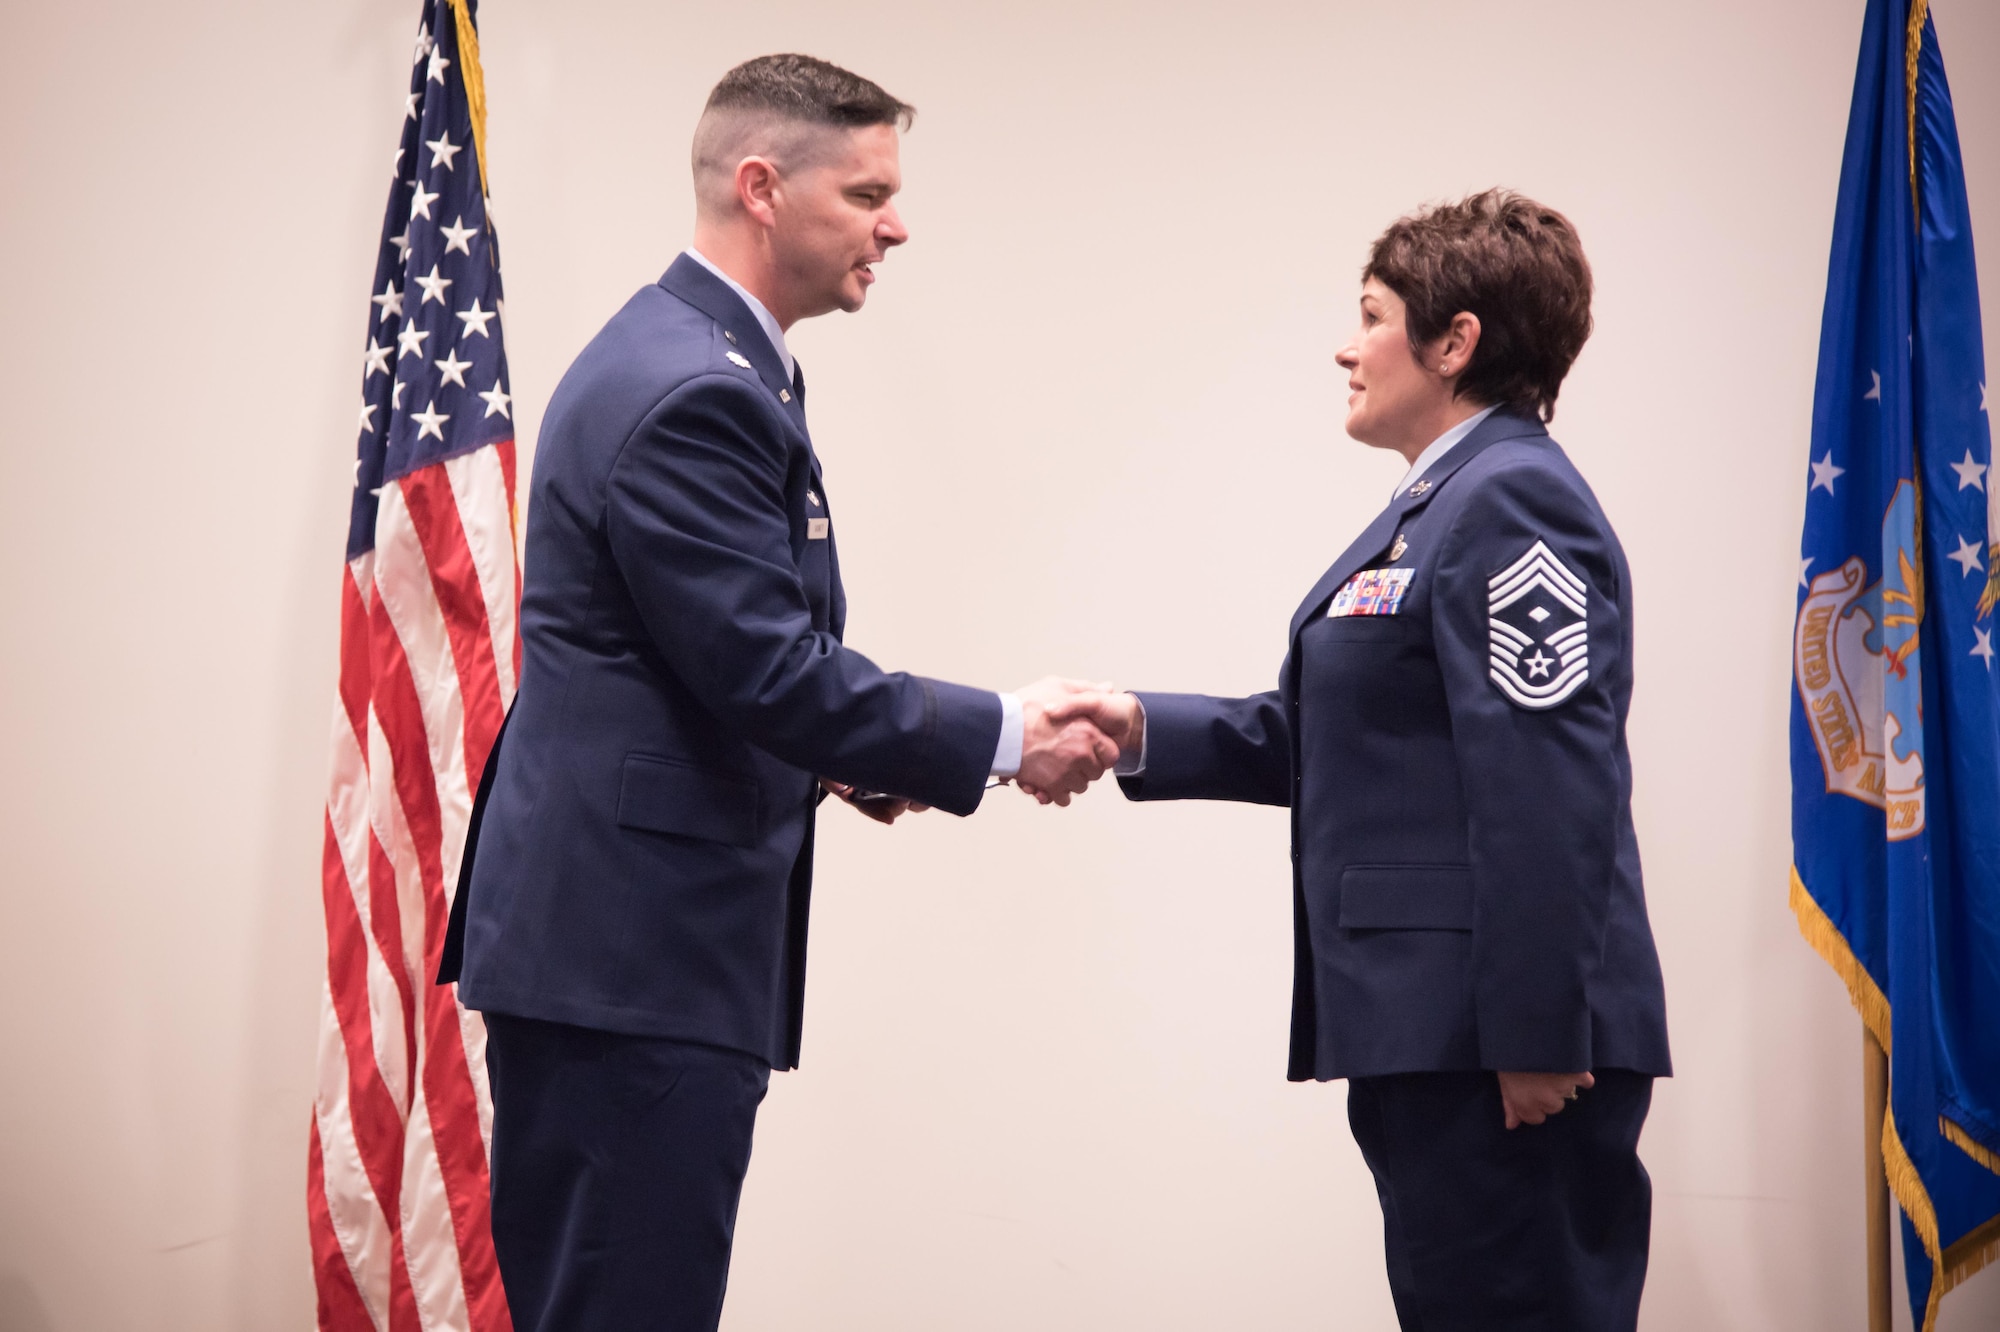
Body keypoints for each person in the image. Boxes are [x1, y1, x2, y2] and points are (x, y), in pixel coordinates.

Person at [436, 55, 1115, 1332]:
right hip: (631, 965)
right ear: (761, 186)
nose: (895, 225)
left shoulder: (712, 362)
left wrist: (845, 761)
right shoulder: (695, 388)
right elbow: (768, 670)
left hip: (623, 960)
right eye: (866, 192)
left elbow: (697, 667)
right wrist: (1006, 735)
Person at [1057, 191, 1672, 1330]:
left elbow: (1547, 784)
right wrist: (1132, 724)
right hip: (1437, 1039)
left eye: (1372, 314)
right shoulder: (1436, 507)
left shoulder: (1511, 500)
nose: (1346, 346)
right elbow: (1340, 738)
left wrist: (1538, 1033)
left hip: (1502, 1053)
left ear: (1454, 341)